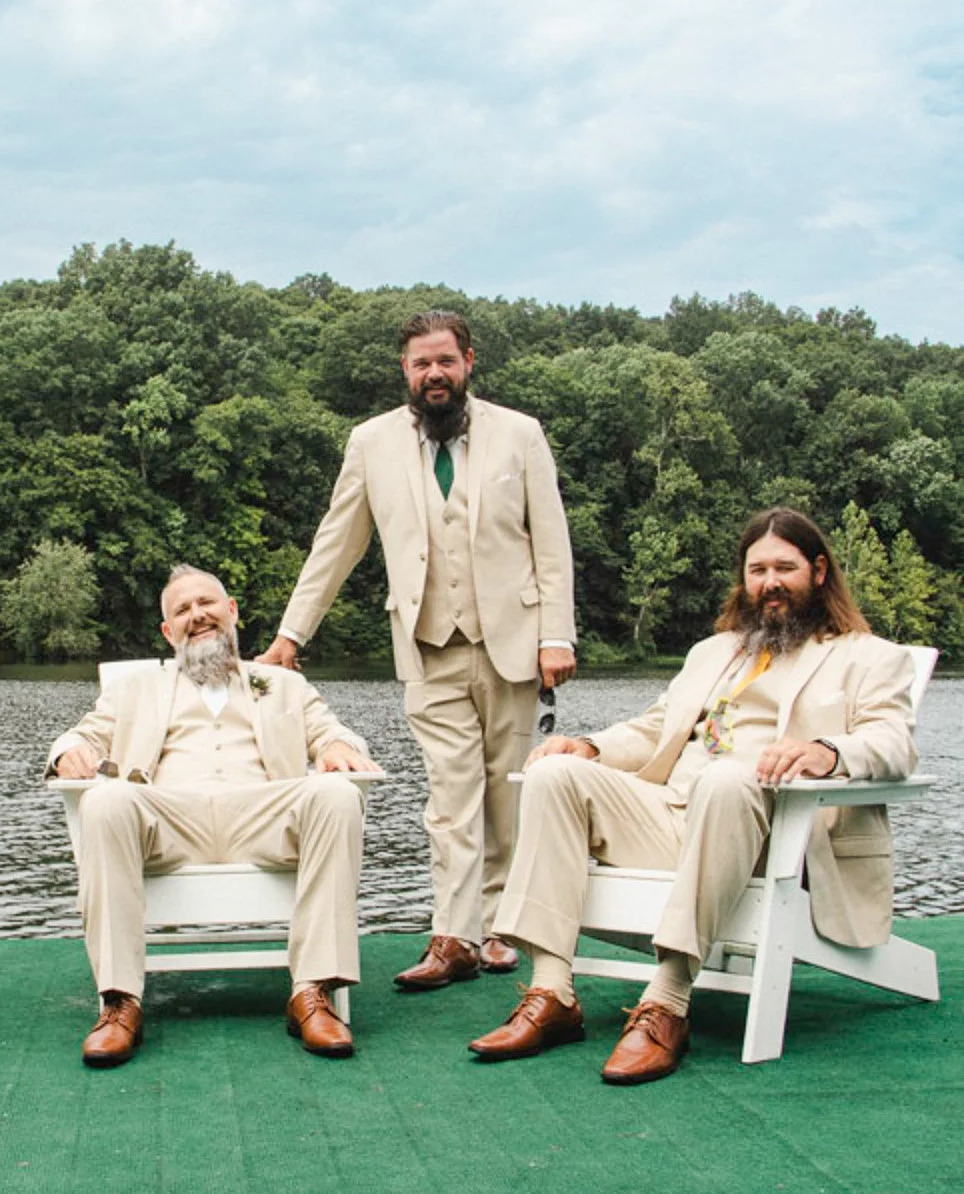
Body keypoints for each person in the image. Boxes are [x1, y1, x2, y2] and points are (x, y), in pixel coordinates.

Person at [469, 508, 918, 1084]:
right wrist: (588, 746)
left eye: (785, 567)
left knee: (729, 777)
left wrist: (827, 752)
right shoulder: (716, 651)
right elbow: (656, 729)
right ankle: (553, 993)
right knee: (555, 776)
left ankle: (668, 1002)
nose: (770, 582)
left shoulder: (869, 655)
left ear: (820, 570)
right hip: (675, 815)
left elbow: (893, 741)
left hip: (778, 832)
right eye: (757, 570)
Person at [258, 310, 575, 991]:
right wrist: (290, 636)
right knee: (449, 795)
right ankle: (454, 936)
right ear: (404, 371)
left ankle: (501, 929)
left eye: (446, 361)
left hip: (515, 643)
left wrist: (557, 635)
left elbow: (551, 541)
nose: (435, 374)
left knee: (509, 795)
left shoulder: (520, 434)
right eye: (420, 364)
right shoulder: (370, 442)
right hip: (426, 646)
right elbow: (336, 543)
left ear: (468, 362)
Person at [48, 565, 381, 1065]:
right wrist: (67, 753)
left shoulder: (282, 685)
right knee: (105, 799)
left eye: (207, 603)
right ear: (167, 631)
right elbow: (81, 734)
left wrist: (336, 748)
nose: (197, 615)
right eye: (181, 610)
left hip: (263, 816)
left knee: (335, 794)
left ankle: (313, 992)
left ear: (232, 612)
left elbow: (335, 733)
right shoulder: (135, 688)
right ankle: (121, 1003)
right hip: (170, 818)